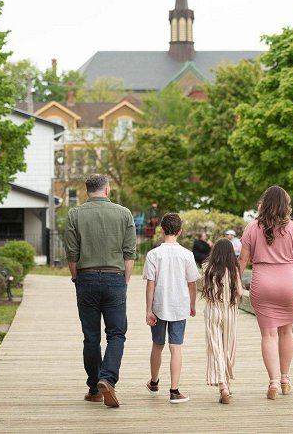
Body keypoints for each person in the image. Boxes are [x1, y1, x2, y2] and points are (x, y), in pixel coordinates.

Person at [65, 174, 136, 408]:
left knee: (91, 336)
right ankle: (108, 378)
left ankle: (94, 387)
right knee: (116, 334)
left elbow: (72, 254)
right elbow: (129, 254)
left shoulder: (75, 214)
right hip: (114, 278)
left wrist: (76, 277)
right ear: (107, 190)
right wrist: (123, 282)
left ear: (87, 192)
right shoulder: (124, 214)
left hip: (86, 278)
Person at [238, 185, 293, 400]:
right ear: (285, 205)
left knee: (268, 335)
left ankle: (272, 383)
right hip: (287, 283)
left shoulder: (252, 228)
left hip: (263, 283)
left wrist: (236, 283)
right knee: (286, 332)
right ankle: (285, 379)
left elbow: (242, 260)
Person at [143, 213, 200, 404]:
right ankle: (174, 391)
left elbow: (150, 285)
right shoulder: (187, 255)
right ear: (180, 231)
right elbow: (192, 284)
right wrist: (192, 304)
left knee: (157, 345)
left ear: (161, 230)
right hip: (179, 306)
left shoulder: (153, 254)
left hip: (159, 306)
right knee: (176, 348)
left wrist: (148, 310)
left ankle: (154, 382)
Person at [201, 238, 243, 404]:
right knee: (228, 348)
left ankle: (223, 386)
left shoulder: (207, 268)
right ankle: (227, 382)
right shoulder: (234, 269)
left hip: (212, 310)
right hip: (230, 311)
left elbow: (204, 289)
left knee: (215, 347)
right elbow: (239, 292)